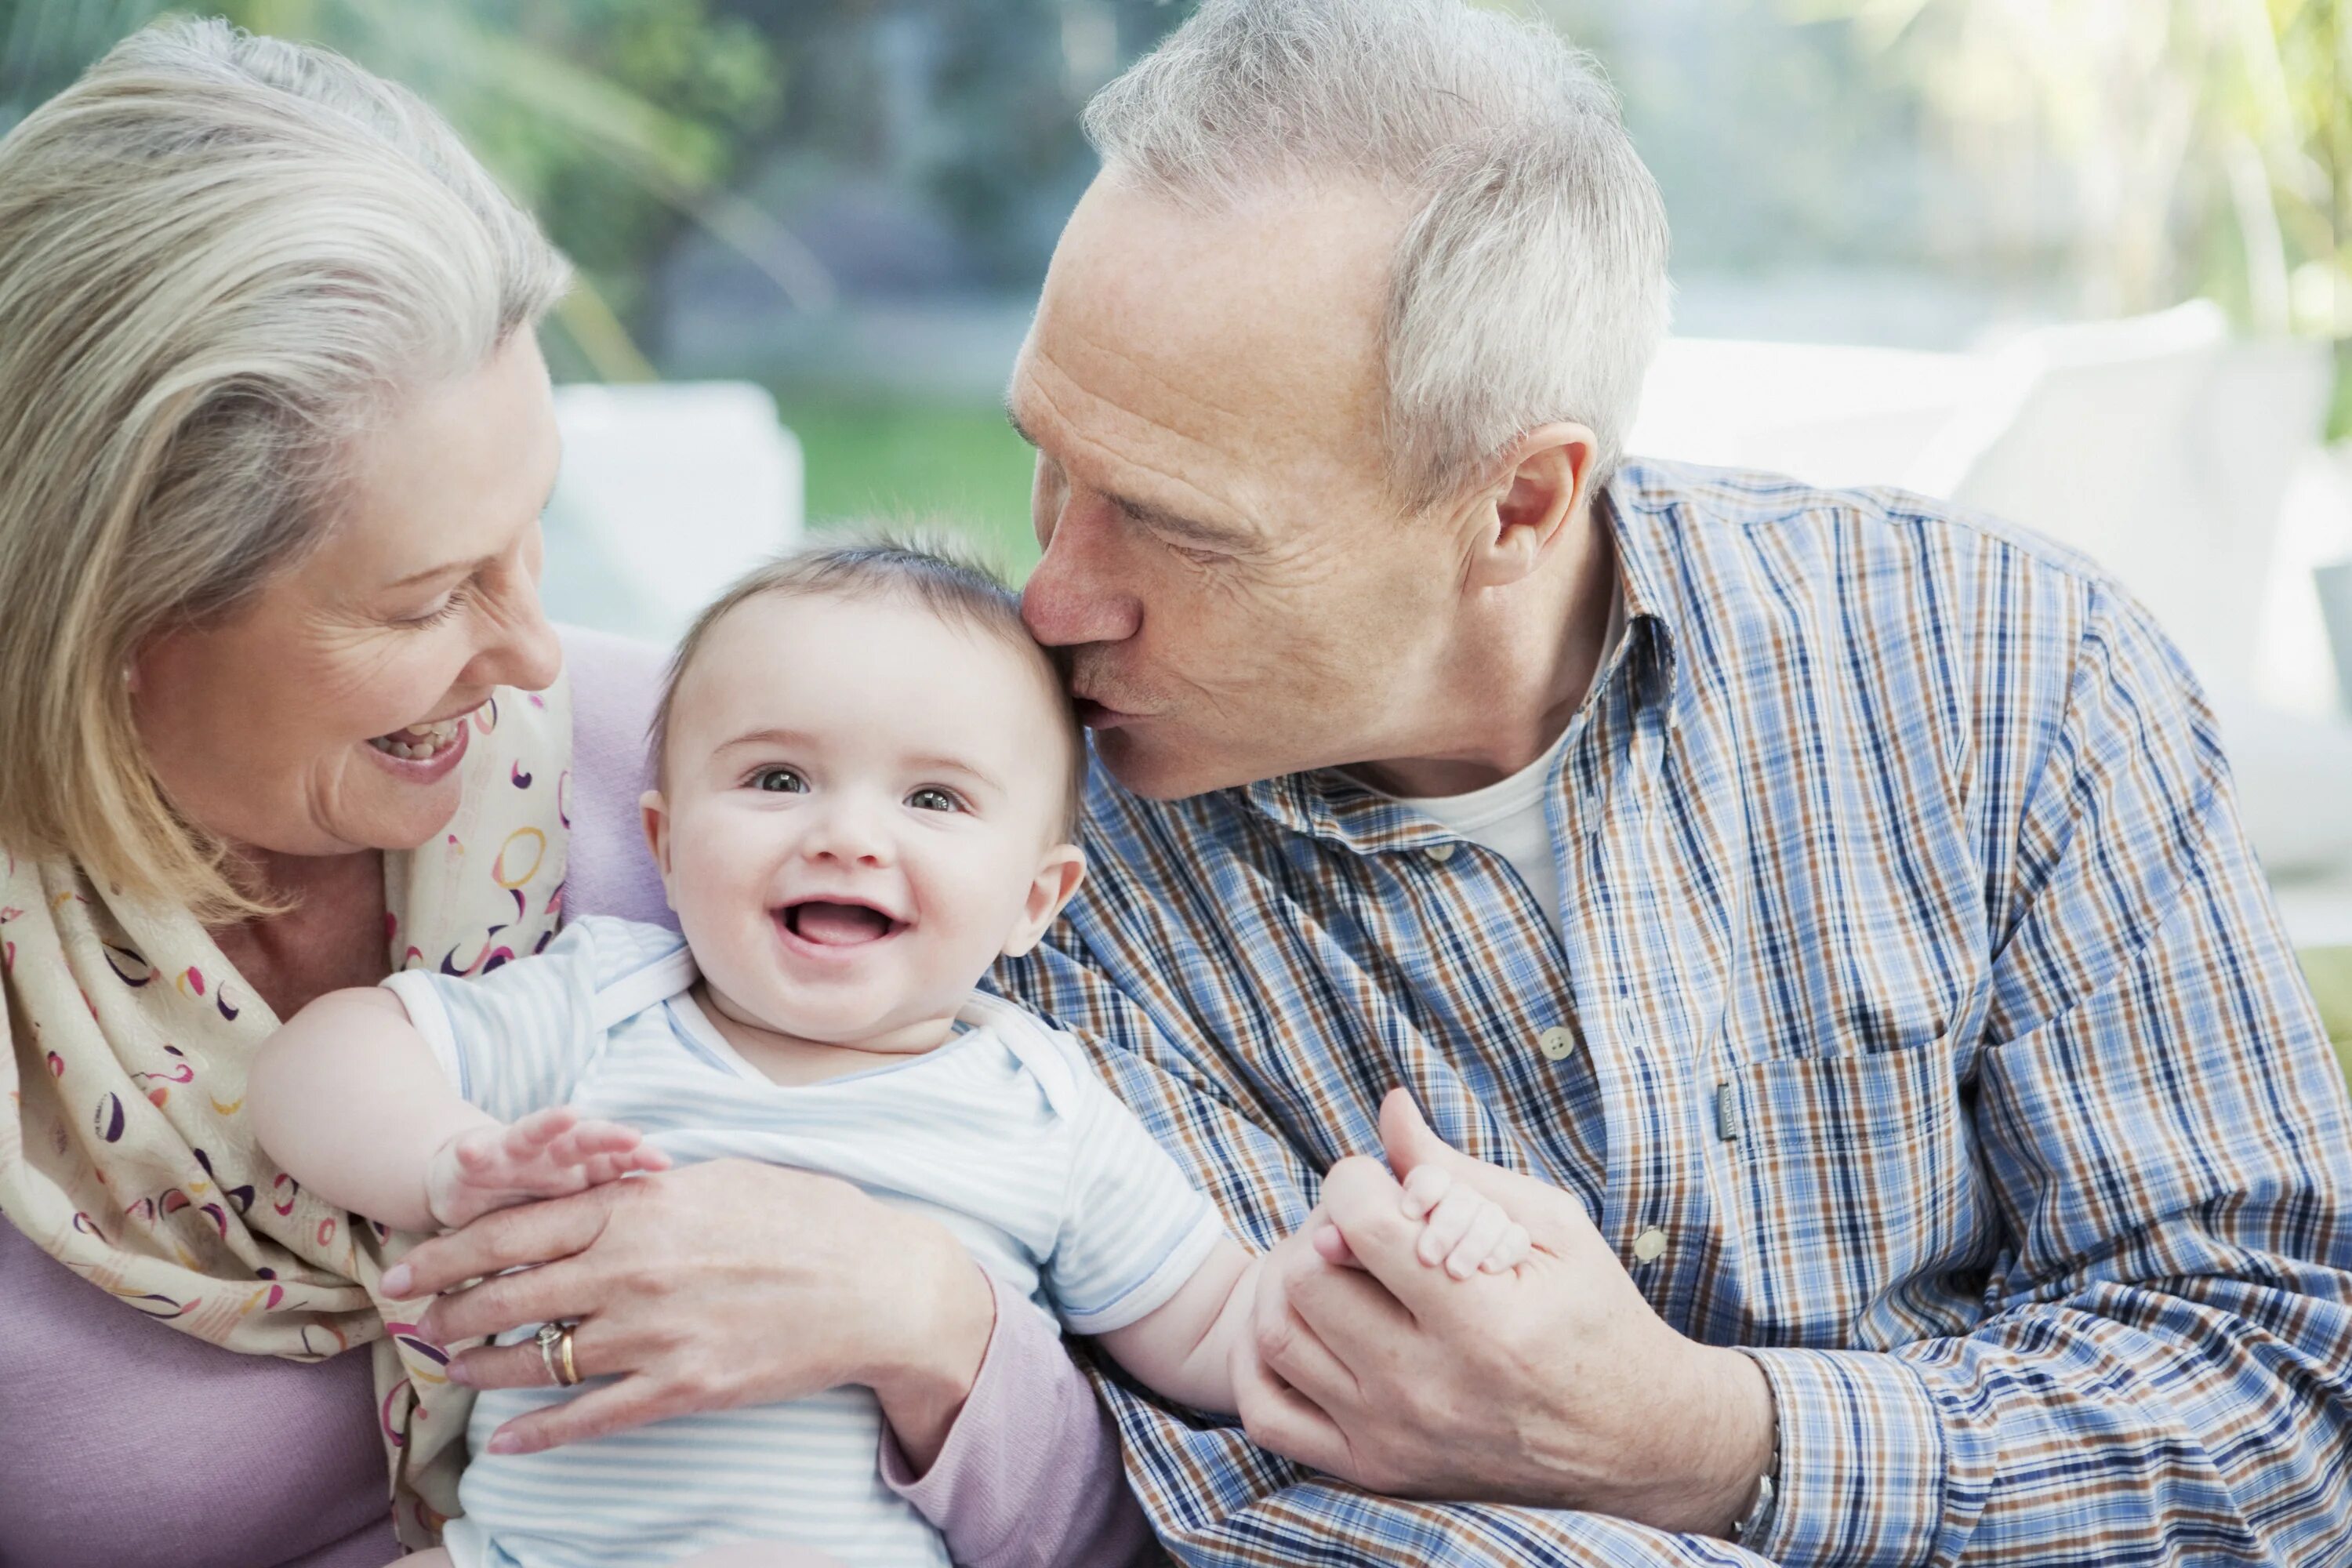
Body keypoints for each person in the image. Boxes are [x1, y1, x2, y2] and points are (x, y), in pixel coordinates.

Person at [990, 0, 2352, 1562]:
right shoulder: (1021, 857)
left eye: (1174, 524)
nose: (1053, 599)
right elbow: (1267, 1521)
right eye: (1050, 459)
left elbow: (2281, 1406)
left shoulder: (2010, 675)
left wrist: (1699, 1440)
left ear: (1516, 500)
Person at [0, 23, 1148, 1566]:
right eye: (423, 599)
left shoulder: (722, 795)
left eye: (533, 531)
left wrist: (923, 1320)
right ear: (112, 619)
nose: (533, 648)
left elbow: (1128, 1532)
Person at [249, 541, 1532, 1568]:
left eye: (934, 800)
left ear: (1038, 898)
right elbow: (326, 1056)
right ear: (663, 838)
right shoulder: (604, 1010)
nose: (849, 836)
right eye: (775, 781)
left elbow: (1221, 1329)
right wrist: (449, 1158)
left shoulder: (1044, 1108)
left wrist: (1380, 1252)